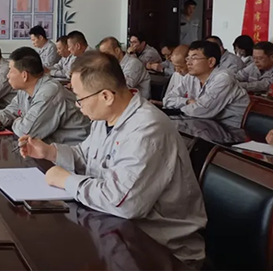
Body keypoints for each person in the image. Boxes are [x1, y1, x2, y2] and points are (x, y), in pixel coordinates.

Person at [17, 51, 207, 266]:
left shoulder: (147, 130)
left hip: (160, 250)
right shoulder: (106, 117)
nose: (78, 105)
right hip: (118, 232)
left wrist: (66, 180)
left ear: (106, 96)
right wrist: (50, 152)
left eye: (80, 99)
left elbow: (122, 202)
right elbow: (86, 156)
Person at [0, 47, 90, 145]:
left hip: (72, 152)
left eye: (10, 70)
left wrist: (16, 121)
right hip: (48, 147)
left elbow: (26, 132)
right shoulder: (25, 89)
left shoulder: (49, 92)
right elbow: (12, 109)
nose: (8, 75)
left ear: (24, 75)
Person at [163, 40, 250, 131]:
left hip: (231, 130)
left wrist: (178, 109)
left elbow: (202, 110)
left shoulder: (223, 78)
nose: (188, 63)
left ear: (211, 62)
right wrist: (187, 101)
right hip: (203, 125)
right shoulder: (190, 77)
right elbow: (167, 99)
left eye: (194, 58)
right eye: (188, 58)